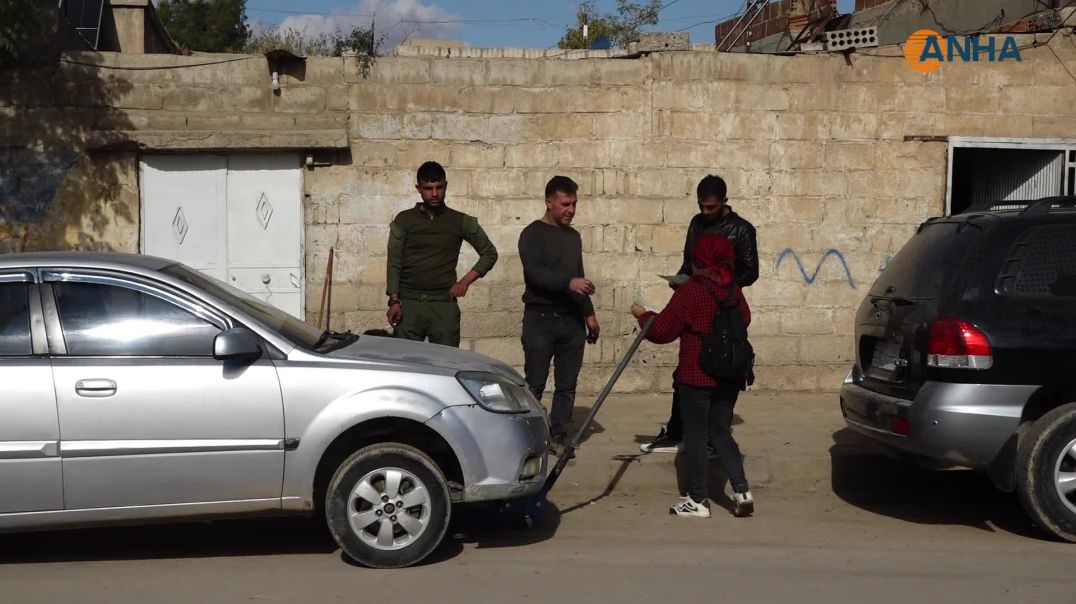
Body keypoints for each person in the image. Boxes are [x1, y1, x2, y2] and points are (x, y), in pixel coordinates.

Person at [631, 233, 754, 518]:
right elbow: (745, 319)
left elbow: (662, 330)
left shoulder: (692, 291)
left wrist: (642, 314)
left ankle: (698, 500)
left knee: (696, 435)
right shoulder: (734, 291)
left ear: (698, 260)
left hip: (696, 375)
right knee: (721, 432)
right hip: (730, 374)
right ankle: (742, 490)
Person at [640, 174, 759, 454]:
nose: (705, 213)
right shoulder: (696, 224)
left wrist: (721, 284)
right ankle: (677, 431)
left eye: (711, 208)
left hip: (725, 312)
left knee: (723, 370)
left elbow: (751, 271)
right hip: (699, 306)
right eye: (702, 207)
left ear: (724, 203)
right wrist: (682, 280)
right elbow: (688, 263)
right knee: (686, 372)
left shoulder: (742, 230)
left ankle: (716, 438)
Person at [518, 175, 600, 457]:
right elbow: (535, 274)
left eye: (575, 204)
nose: (571, 210)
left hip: (571, 322)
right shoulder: (531, 234)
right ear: (549, 202)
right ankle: (528, 436)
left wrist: (588, 314)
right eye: (566, 204)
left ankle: (559, 436)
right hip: (539, 319)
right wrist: (569, 283)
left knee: (567, 385)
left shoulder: (573, 237)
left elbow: (578, 275)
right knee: (535, 384)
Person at [386, 161, 498, 347]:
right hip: (410, 304)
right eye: (428, 188)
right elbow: (394, 261)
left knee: (447, 365)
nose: (435, 193)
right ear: (418, 189)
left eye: (439, 187)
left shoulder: (459, 221)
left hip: (443, 305)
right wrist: (394, 301)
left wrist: (465, 282)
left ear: (446, 186)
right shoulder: (404, 220)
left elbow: (489, 253)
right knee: (407, 365)